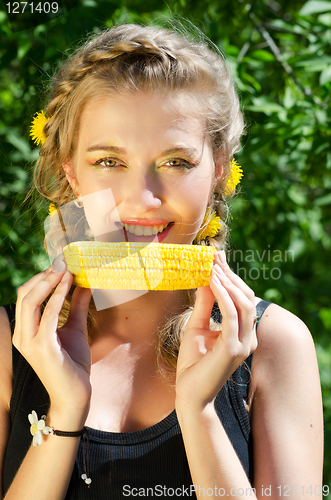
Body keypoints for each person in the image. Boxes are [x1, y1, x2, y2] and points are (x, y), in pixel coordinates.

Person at [0, 23, 323, 500]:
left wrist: (199, 413)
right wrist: (64, 413)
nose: (142, 199)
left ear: (218, 168)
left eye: (175, 162)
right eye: (108, 161)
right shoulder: (10, 347)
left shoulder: (274, 345)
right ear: (70, 171)